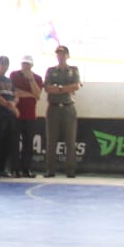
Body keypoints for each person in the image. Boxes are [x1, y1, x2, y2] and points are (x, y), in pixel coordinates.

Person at [44, 44, 81, 178]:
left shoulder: (74, 70)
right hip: (53, 107)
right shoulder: (51, 71)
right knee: (51, 140)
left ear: (67, 55)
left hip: (68, 107)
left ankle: (70, 171)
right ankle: (50, 170)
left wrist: (58, 88)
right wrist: (65, 88)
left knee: (70, 141)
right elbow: (47, 88)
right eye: (58, 54)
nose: (60, 56)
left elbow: (76, 86)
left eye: (63, 54)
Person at [11, 55, 43, 177]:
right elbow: (15, 92)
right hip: (16, 114)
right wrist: (31, 94)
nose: (25, 66)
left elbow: (38, 94)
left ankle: (26, 169)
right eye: (23, 64)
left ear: (31, 65)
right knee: (14, 142)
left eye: (28, 64)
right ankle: (15, 169)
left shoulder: (37, 78)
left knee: (28, 144)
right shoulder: (14, 75)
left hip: (30, 115)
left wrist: (31, 79)